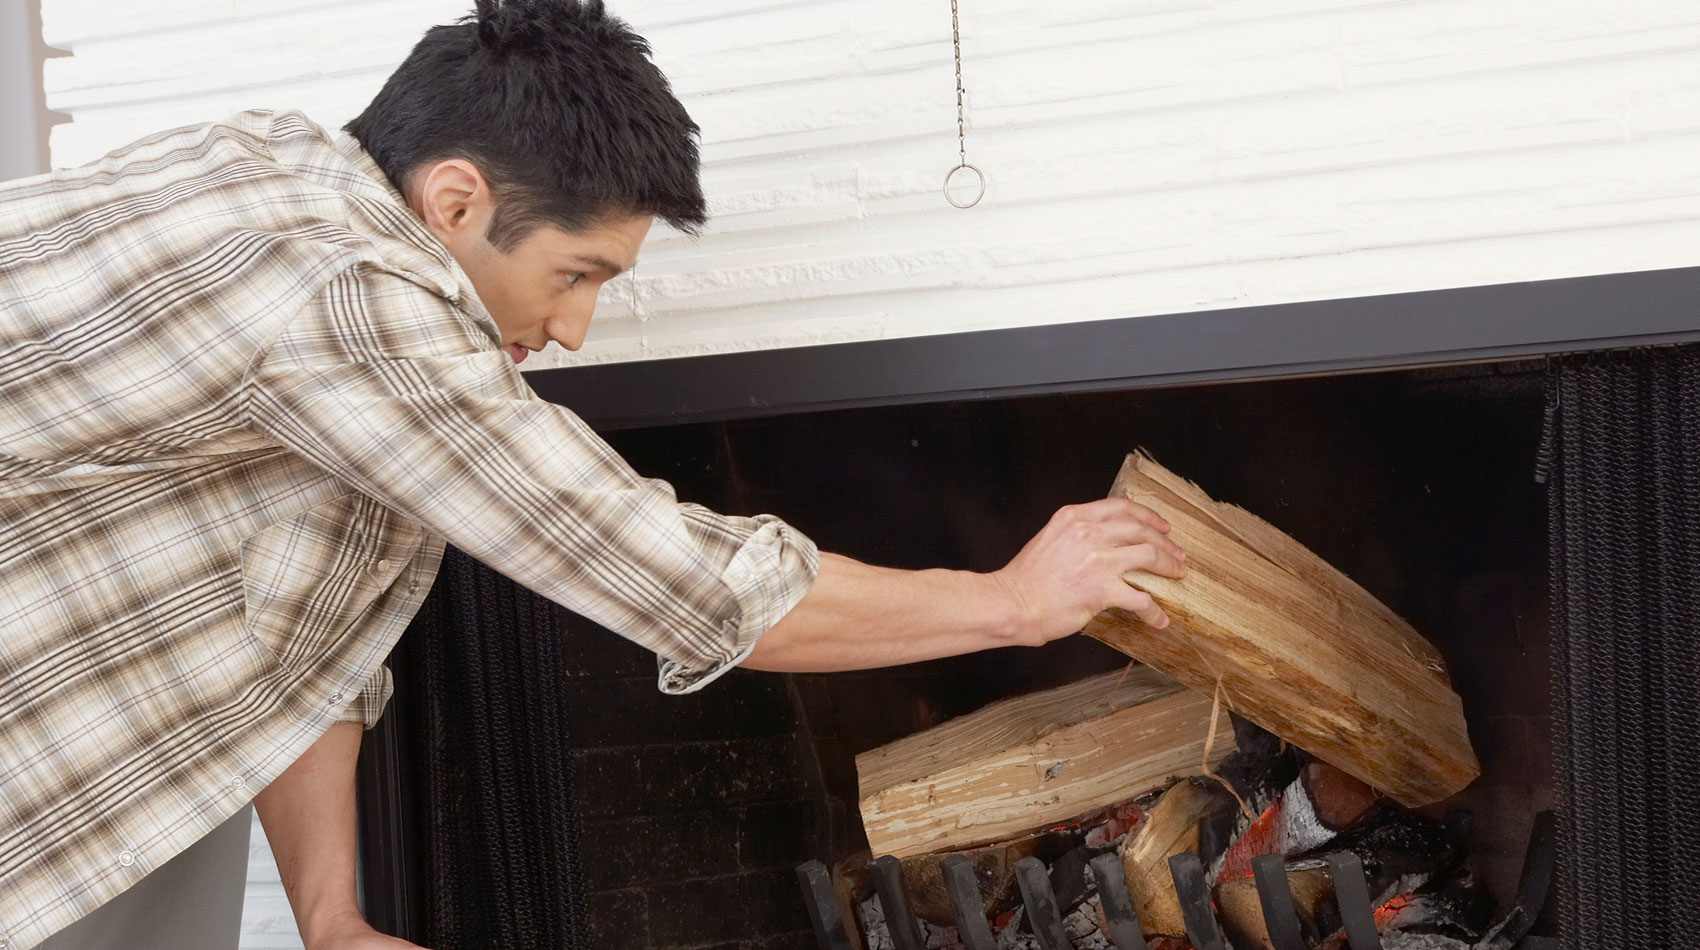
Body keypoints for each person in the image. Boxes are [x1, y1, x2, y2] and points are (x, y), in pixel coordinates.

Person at [0, 2, 1185, 948]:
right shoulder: (347, 299)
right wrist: (1011, 602)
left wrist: (332, 918)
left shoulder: (287, 169)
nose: (574, 328)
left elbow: (305, 623)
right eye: (576, 273)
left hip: (123, 737)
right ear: (453, 198)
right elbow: (672, 573)